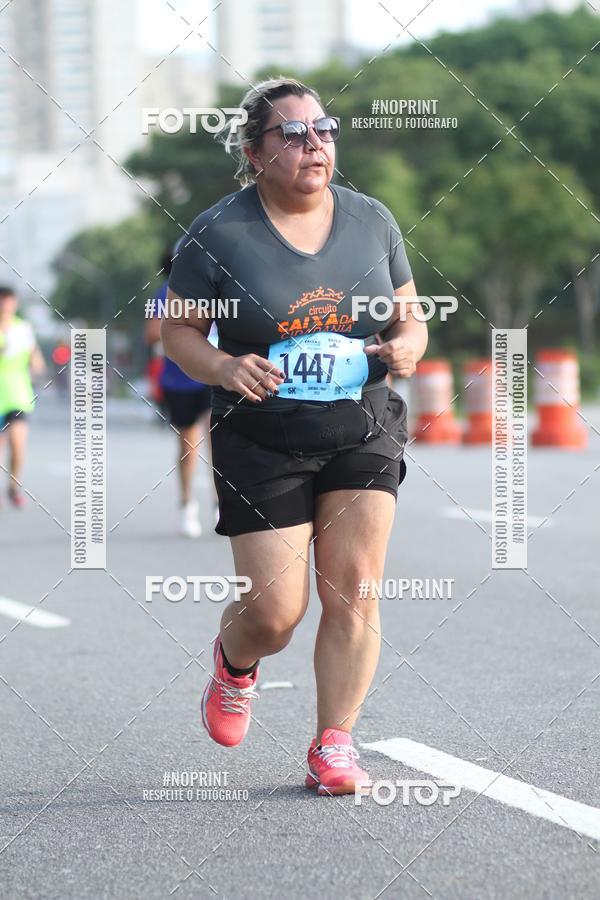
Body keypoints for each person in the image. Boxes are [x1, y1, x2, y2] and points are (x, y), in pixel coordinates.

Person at [161, 77, 428, 796]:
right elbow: (175, 332)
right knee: (277, 612)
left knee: (355, 591)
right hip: (261, 435)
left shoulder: (372, 220)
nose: (315, 145)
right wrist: (222, 363)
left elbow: (411, 317)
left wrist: (408, 345)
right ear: (255, 153)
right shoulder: (219, 234)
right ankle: (236, 661)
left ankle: (333, 743)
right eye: (294, 134)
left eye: (326, 130)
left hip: (361, 421)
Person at [144, 251, 214, 538]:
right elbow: (150, 334)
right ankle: (187, 505)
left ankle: (222, 504)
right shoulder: (161, 294)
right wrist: (184, 330)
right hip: (179, 379)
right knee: (189, 445)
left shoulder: (211, 288)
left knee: (219, 440)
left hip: (212, 374)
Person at [0, 287, 45, 508]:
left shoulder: (23, 329)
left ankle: (13, 487)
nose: (5, 305)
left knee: (18, 443)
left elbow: (37, 361)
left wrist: (36, 364)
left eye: (9, 300)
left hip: (18, 395)